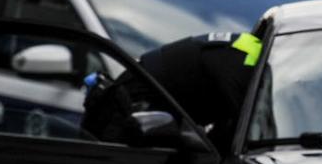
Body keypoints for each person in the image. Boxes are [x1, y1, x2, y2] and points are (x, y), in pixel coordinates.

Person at [81, 31, 262, 152]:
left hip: (157, 105)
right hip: (133, 107)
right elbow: (242, 138)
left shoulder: (255, 53)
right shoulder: (247, 66)